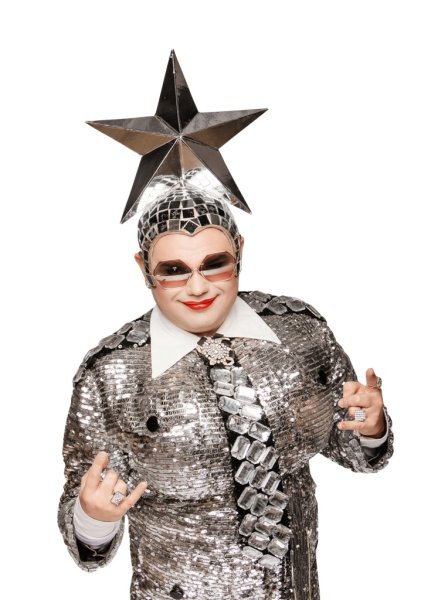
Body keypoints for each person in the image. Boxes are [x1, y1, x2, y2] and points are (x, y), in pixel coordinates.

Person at [58, 52, 393, 600]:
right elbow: (86, 538)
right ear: (144, 269)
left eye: (214, 264)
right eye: (174, 270)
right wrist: (94, 517)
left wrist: (371, 427)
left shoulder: (301, 333)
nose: (198, 287)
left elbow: (357, 454)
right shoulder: (111, 375)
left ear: (240, 252)